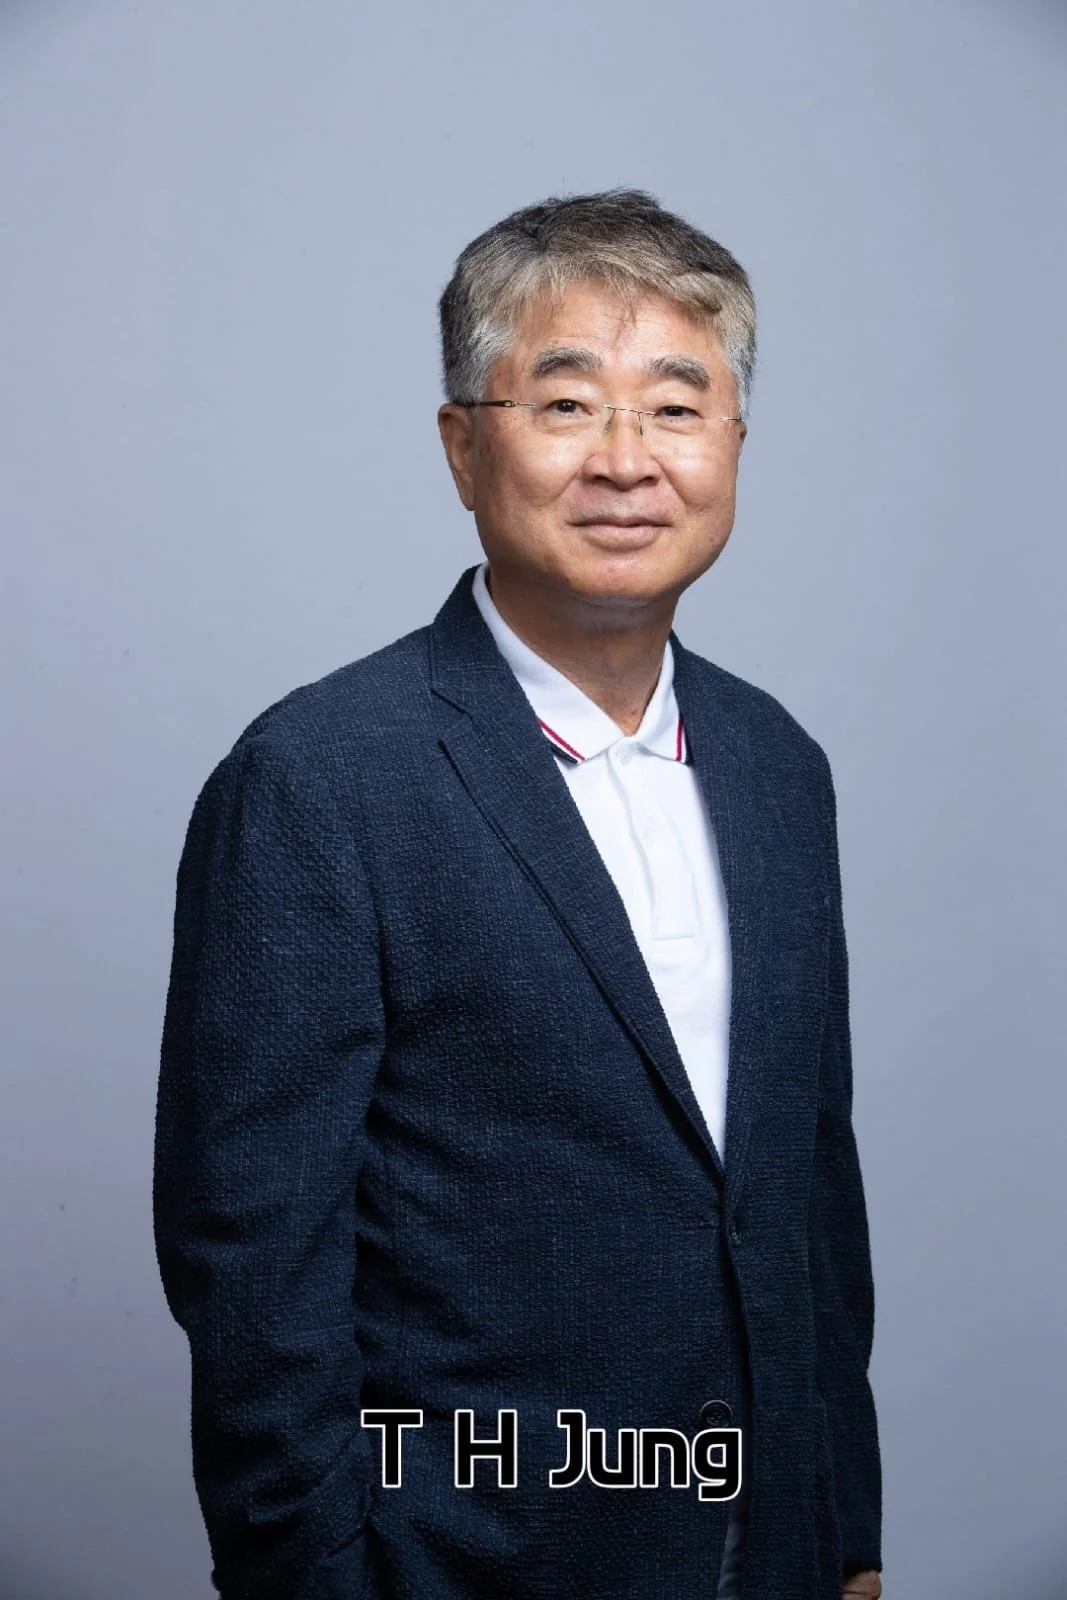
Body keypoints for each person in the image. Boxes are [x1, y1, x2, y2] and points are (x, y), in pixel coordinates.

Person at [153, 189, 882, 1599]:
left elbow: (806, 1195)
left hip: (766, 1553)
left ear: (731, 445)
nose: (626, 460)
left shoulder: (778, 766)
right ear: (461, 448)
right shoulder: (321, 778)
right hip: (469, 1558)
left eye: (677, 408)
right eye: (564, 405)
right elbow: (250, 1256)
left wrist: (839, 1533)